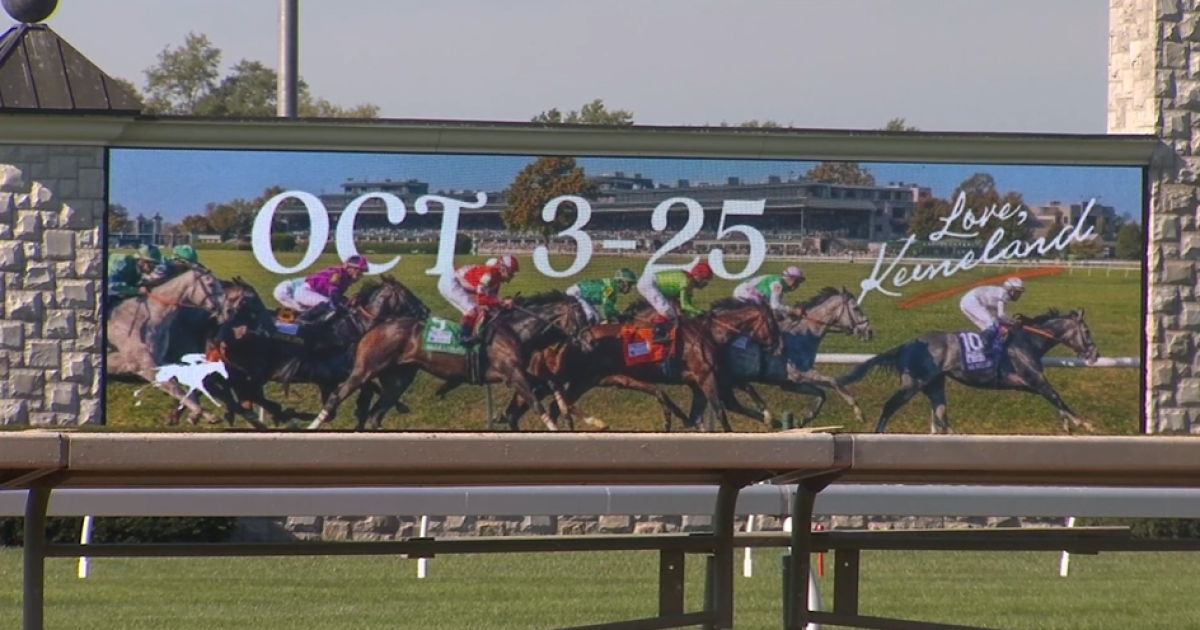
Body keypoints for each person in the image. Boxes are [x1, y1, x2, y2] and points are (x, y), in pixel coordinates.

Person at [437, 254, 519, 345]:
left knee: (482, 312)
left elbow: (492, 305)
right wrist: (502, 302)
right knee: (472, 310)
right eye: (511, 273)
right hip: (450, 281)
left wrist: (504, 305)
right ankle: (463, 336)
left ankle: (472, 331)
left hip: (460, 282)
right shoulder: (488, 275)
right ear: (502, 269)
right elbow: (482, 300)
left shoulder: (497, 281)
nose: (511, 277)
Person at [272, 255, 370, 324]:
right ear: (350, 268)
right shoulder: (338, 273)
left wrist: (347, 301)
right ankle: (300, 323)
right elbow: (333, 292)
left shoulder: (344, 278)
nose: (360, 275)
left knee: (312, 310)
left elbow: (337, 295)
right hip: (302, 291)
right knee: (328, 305)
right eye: (359, 271)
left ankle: (282, 317)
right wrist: (339, 305)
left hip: (300, 291)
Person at [636, 260, 713, 343]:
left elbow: (687, 306)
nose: (705, 283)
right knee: (668, 312)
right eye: (705, 280)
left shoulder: (689, 281)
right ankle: (658, 335)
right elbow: (685, 305)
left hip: (652, 283)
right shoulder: (686, 282)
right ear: (698, 276)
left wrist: (695, 315)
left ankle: (663, 333)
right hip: (649, 284)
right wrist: (700, 312)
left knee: (673, 313)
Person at [959, 277, 1026, 356]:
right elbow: (1001, 315)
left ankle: (982, 347)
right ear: (1010, 290)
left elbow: (999, 316)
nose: (1019, 295)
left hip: (966, 302)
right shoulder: (1005, 295)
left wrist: (1008, 321)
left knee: (988, 328)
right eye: (1017, 292)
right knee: (992, 324)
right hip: (972, 301)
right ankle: (985, 348)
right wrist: (1013, 321)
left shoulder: (1002, 293)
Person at [565, 268, 637, 324]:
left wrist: (616, 315)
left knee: (598, 318)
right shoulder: (610, 288)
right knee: (591, 316)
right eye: (630, 284)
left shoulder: (612, 286)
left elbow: (608, 307)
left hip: (583, 295)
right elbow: (607, 307)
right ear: (623, 282)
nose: (630, 287)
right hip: (576, 293)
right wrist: (619, 316)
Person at [732, 266, 806, 313]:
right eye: (797, 282)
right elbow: (775, 305)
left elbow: (778, 307)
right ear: (790, 279)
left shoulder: (780, 284)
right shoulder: (778, 284)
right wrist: (793, 311)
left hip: (748, 292)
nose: (797, 285)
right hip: (744, 293)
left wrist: (789, 311)